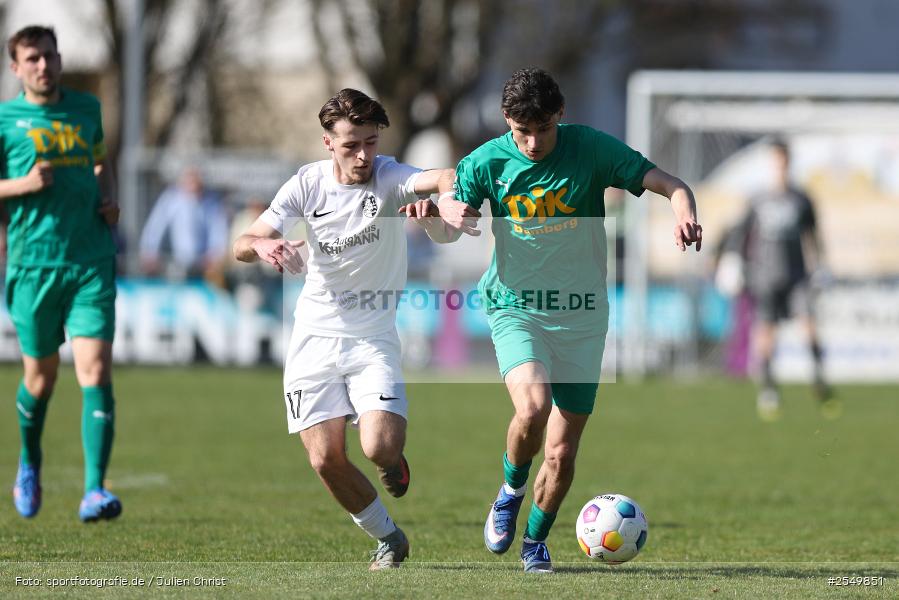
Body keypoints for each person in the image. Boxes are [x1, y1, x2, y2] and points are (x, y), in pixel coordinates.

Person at [426, 68, 702, 572]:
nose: (532, 143)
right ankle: (510, 490)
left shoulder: (591, 149)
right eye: (520, 132)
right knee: (533, 407)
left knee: (560, 453)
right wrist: (439, 216)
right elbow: (451, 222)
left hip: (581, 316)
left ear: (561, 115)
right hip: (515, 307)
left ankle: (534, 541)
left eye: (542, 130)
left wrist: (684, 209)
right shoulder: (487, 160)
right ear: (507, 121)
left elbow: (669, 182)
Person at [233, 88, 459, 570]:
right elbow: (241, 243)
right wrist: (265, 247)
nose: (363, 156)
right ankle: (388, 538)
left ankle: (391, 461)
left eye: (371, 143)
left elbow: (445, 175)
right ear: (327, 143)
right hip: (313, 336)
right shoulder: (306, 185)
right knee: (324, 460)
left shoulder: (391, 176)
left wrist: (442, 199)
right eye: (352, 145)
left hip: (372, 337)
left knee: (378, 446)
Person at [0, 25, 122, 522]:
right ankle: (29, 461)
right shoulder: (5, 119)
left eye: (49, 56)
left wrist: (108, 196)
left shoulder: (86, 109)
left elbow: (99, 162)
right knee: (41, 380)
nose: (43, 66)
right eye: (32, 59)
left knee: (94, 369)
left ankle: (95, 489)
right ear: (16, 68)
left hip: (90, 260)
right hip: (32, 266)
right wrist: (23, 184)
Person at [731, 139, 834, 421]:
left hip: (797, 276)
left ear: (789, 163)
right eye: (776, 162)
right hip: (765, 277)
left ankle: (818, 379)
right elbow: (740, 234)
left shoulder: (801, 199)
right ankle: (768, 389)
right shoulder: (758, 199)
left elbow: (813, 235)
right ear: (770, 164)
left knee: (809, 325)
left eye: (784, 162)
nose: (780, 167)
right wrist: (734, 262)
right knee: (766, 333)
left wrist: (821, 266)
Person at [138, 166, 229, 283]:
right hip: (176, 263)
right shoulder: (171, 198)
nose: (193, 183)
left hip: (203, 266)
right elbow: (156, 227)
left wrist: (215, 255)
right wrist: (150, 251)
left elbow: (218, 231)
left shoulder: (212, 202)